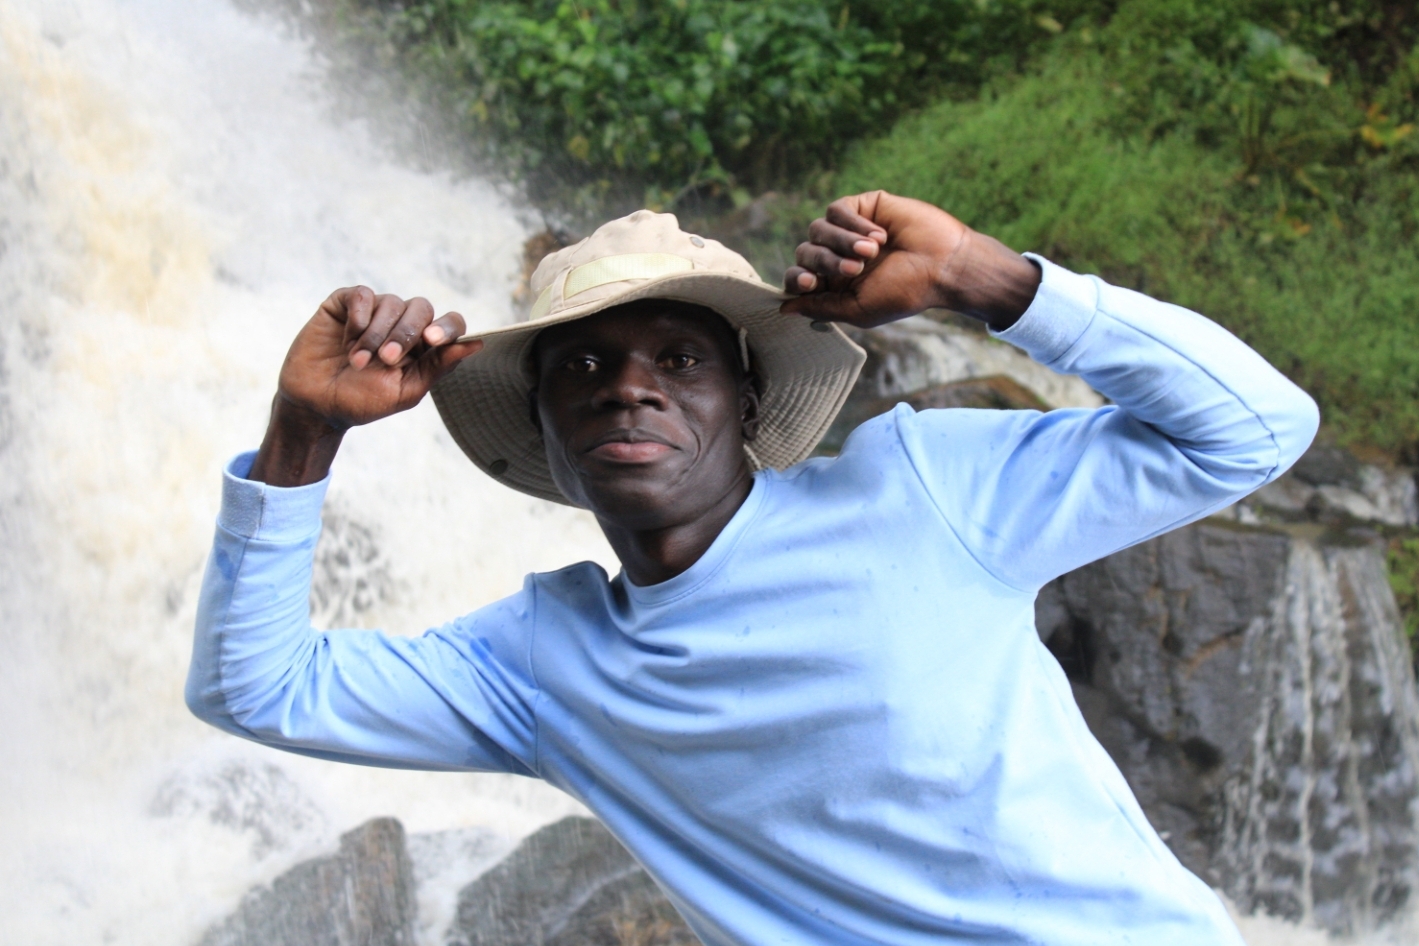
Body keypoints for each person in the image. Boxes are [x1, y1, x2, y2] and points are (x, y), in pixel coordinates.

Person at [187, 192, 1318, 944]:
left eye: (679, 358)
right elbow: (255, 685)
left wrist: (986, 278)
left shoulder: (920, 488)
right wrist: (304, 430)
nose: (628, 386)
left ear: (750, 402)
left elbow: (1257, 428)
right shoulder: (541, 662)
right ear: (545, 435)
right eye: (582, 363)